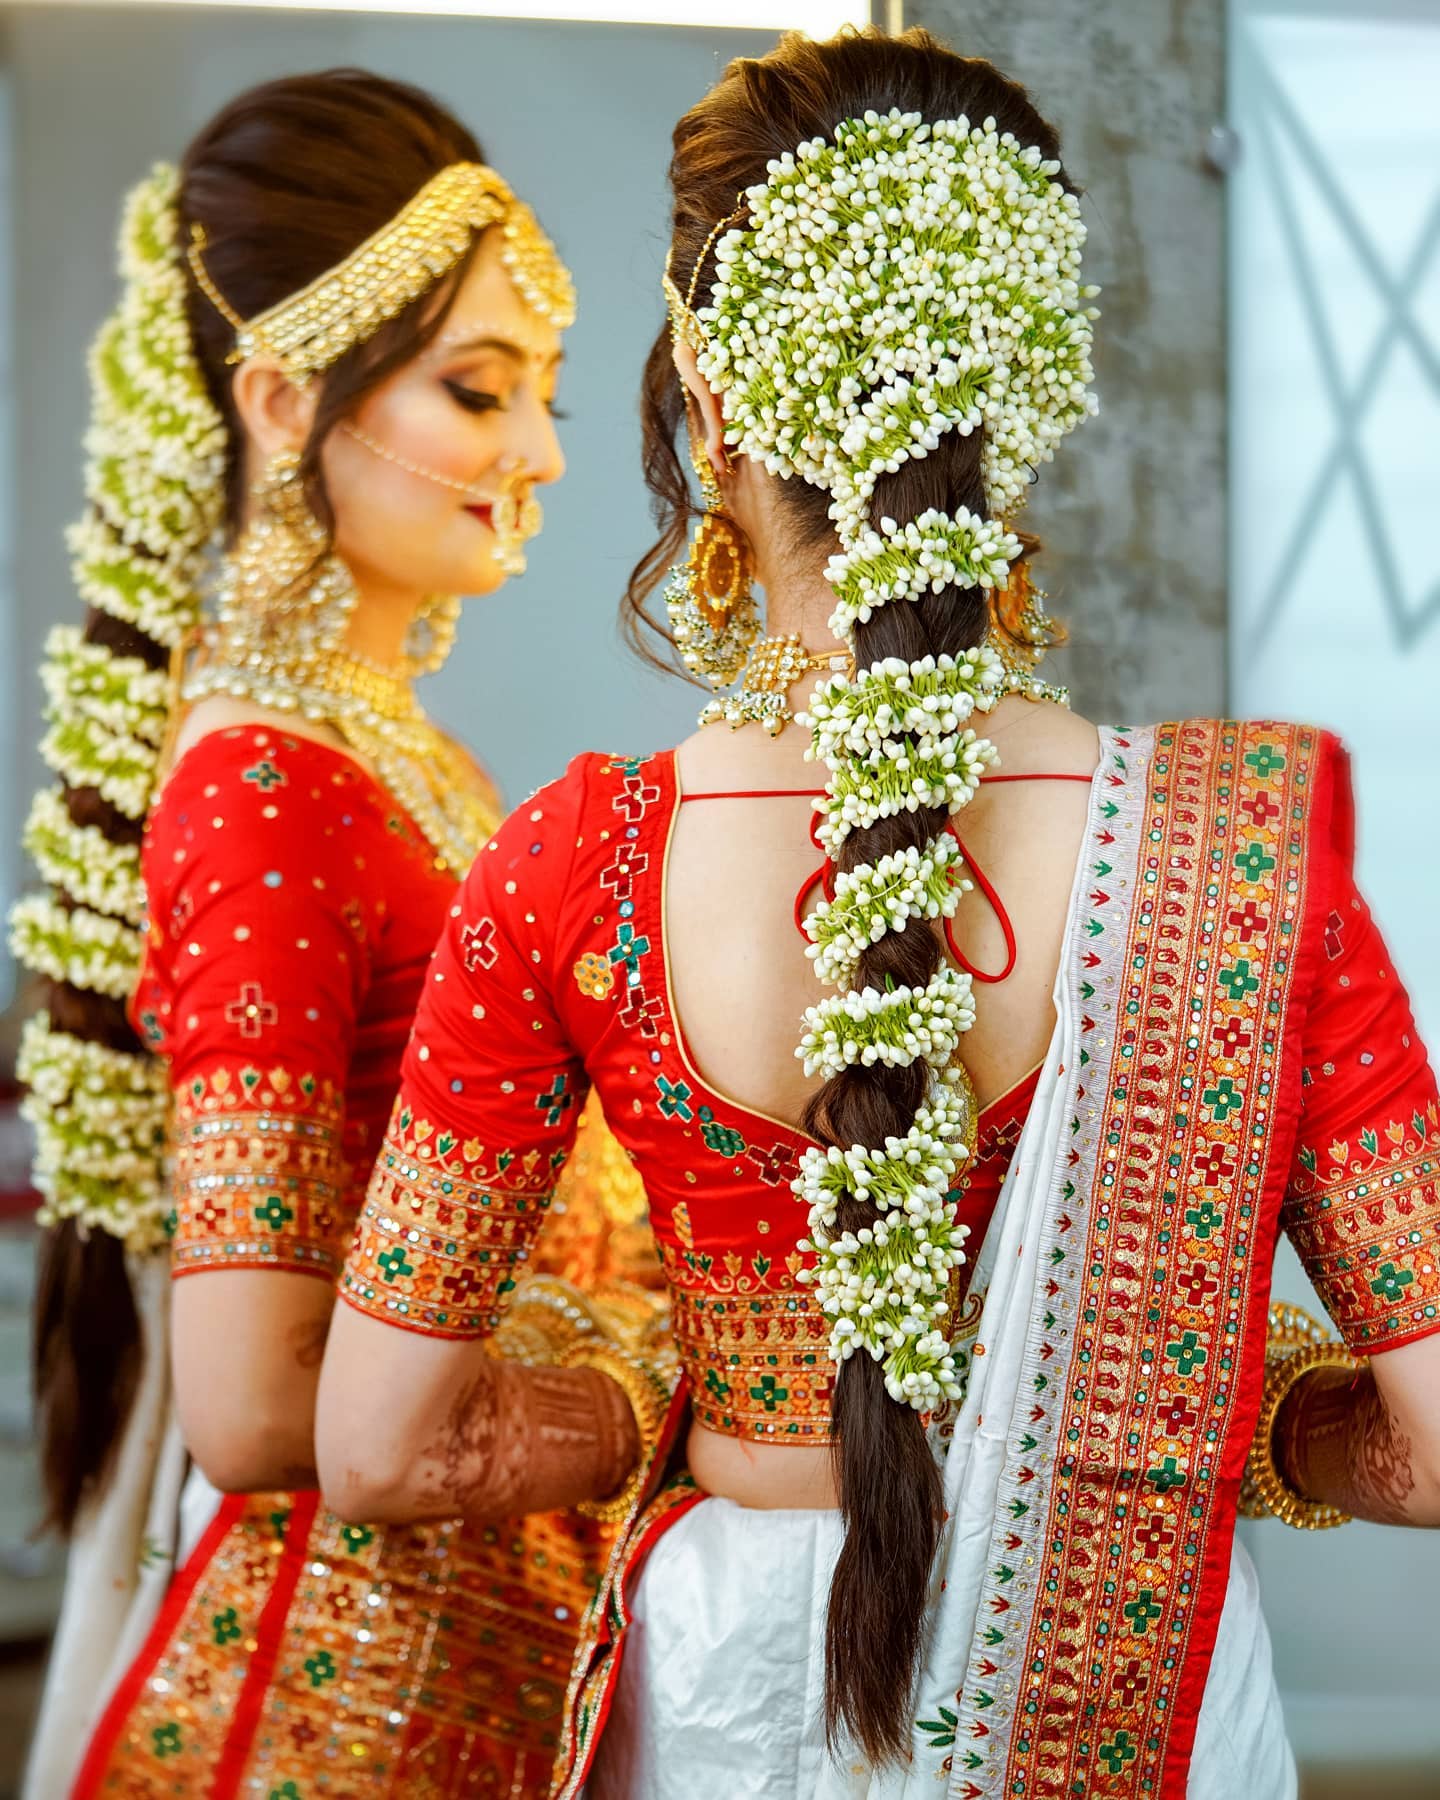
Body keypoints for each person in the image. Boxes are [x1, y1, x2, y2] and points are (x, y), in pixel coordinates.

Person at [315, 29, 1440, 1800]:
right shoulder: (1236, 857)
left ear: (703, 388)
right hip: (1139, 1698)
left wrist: (644, 1383)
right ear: (1035, 391)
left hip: (732, 1697)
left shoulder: (576, 862)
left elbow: (379, 1448)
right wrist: (1209, 1419)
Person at [13, 69, 659, 1799]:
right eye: (480, 390)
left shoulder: (388, 750)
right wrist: (650, 1383)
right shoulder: (267, 790)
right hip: (338, 1703)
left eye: (545, 396)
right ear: (284, 394)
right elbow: (255, 1407)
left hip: (480, 1647)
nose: (538, 453)